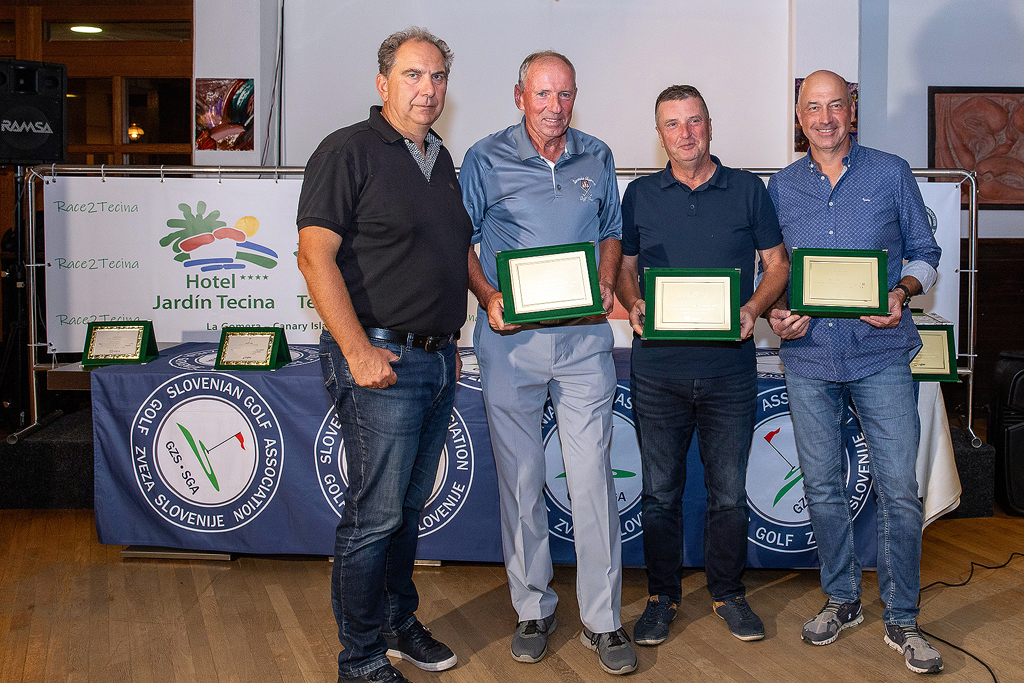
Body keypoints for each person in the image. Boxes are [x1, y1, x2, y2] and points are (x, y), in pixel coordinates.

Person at [296, 27, 472, 683]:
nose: (427, 89)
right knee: (373, 518)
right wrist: (357, 350)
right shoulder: (348, 150)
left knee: (405, 509)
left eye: (437, 77)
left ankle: (398, 623)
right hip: (380, 360)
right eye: (412, 75)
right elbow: (313, 256)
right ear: (383, 83)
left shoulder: (440, 159)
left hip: (434, 361)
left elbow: (444, 255)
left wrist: (448, 342)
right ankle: (361, 655)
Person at [459, 51, 636, 675]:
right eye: (542, 94)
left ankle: (603, 619)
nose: (554, 106)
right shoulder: (484, 157)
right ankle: (532, 606)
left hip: (584, 341)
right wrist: (489, 296)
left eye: (565, 94)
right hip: (512, 345)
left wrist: (606, 281)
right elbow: (461, 240)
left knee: (591, 481)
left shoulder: (597, 154)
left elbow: (611, 231)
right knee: (522, 480)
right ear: (519, 97)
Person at [767, 70, 943, 675]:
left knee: (898, 488)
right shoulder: (781, 186)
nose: (825, 118)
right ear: (800, 117)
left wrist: (902, 292)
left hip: (880, 353)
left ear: (852, 111)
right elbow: (772, 270)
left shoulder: (891, 172)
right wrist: (777, 312)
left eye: (835, 105)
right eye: (813, 107)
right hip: (810, 356)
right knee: (822, 487)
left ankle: (903, 616)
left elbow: (926, 252)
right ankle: (841, 598)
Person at [614, 85, 789, 647]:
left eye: (694, 121)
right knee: (659, 494)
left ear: (709, 125)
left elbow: (778, 265)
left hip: (729, 371)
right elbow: (626, 267)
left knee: (729, 495)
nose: (685, 133)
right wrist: (632, 301)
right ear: (659, 133)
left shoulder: (749, 190)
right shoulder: (639, 194)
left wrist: (753, 308)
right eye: (673, 124)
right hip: (658, 372)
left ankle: (728, 593)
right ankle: (661, 597)